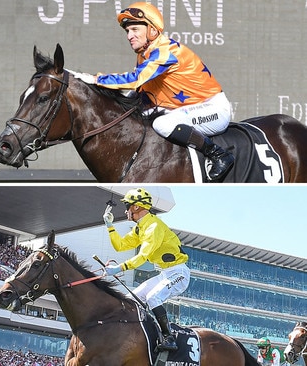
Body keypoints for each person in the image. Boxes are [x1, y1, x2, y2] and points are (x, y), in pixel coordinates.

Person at [80, 2, 234, 181]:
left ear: (152, 30)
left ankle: (219, 155)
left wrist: (94, 79)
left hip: (213, 110)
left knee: (163, 124)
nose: (130, 36)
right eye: (127, 31)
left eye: (135, 29)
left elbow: (135, 79)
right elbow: (140, 91)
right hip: (185, 108)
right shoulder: (144, 54)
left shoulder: (165, 52)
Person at [102, 188, 190, 351]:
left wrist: (118, 269)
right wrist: (110, 226)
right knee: (130, 299)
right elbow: (120, 246)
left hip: (179, 273)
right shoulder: (140, 228)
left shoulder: (153, 227)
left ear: (136, 207)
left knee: (153, 298)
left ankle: (168, 337)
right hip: (165, 274)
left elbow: (142, 257)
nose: (126, 210)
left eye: (127, 206)